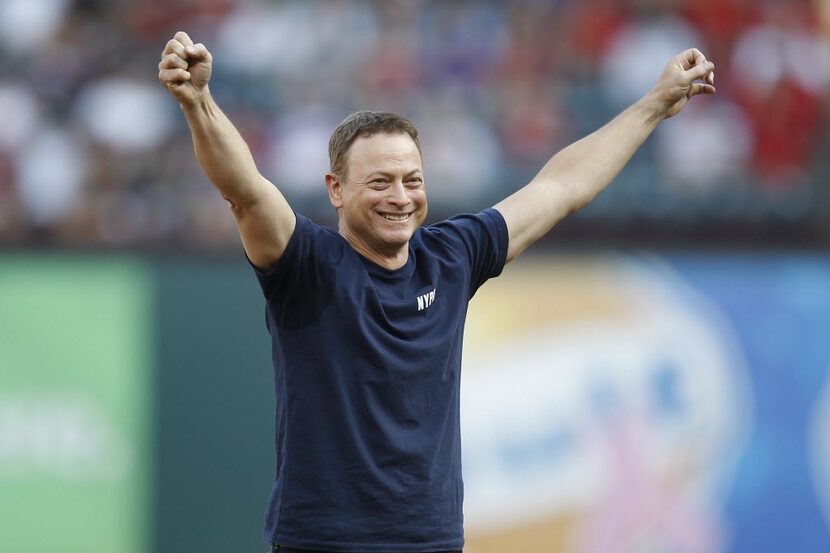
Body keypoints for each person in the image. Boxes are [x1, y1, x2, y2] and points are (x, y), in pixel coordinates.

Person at [158, 30, 715, 553]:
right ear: (336, 188)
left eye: (412, 179)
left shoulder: (452, 257)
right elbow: (245, 193)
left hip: (431, 540)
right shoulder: (307, 265)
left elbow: (561, 186)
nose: (400, 196)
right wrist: (198, 103)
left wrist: (654, 104)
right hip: (323, 540)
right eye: (379, 181)